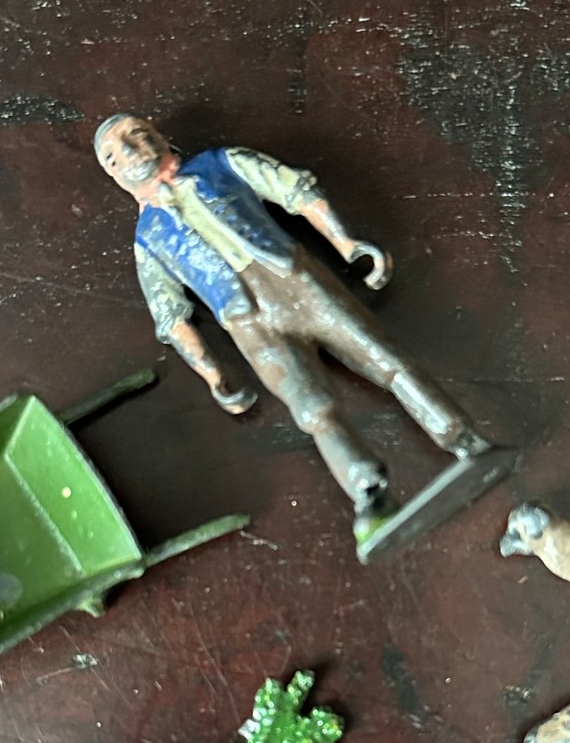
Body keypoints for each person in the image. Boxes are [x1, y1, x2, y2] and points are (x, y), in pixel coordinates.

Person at [94, 113, 493, 541]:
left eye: (136, 135)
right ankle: (368, 494)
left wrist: (345, 242)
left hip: (300, 283)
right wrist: (211, 373)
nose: (130, 152)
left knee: (384, 358)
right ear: (113, 177)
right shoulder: (149, 238)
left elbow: (294, 189)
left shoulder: (221, 164)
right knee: (310, 407)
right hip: (250, 324)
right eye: (113, 157)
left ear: (160, 135)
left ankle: (463, 439)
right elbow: (170, 316)